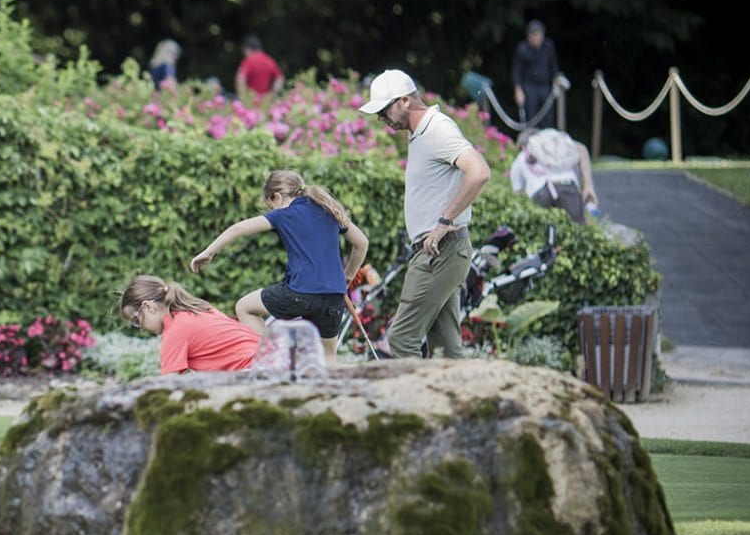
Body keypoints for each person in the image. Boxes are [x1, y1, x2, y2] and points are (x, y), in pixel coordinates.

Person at [359, 69, 493, 359]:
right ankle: (462, 404)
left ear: (405, 101)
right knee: (446, 349)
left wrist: (443, 222)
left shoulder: (437, 129)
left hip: (440, 249)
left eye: (384, 110)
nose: (381, 118)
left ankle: (416, 404)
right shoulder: (420, 133)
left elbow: (479, 172)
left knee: (401, 338)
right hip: (441, 249)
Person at [190, 170, 370, 366]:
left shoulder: (284, 214)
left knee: (244, 307)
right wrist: (348, 276)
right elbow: (362, 243)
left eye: (271, 204)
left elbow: (238, 228)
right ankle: (331, 395)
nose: (272, 209)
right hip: (334, 298)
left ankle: (281, 357)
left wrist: (208, 252)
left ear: (276, 196)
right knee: (328, 356)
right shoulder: (328, 209)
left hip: (299, 292)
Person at [119, 275, 261, 373]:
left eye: (136, 320)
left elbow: (168, 385)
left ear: (148, 307)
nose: (141, 328)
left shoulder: (175, 331)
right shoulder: (200, 309)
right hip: (268, 358)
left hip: (253, 371)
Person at [508, 128, 597, 224]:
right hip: (568, 187)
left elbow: (518, 193)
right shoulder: (556, 144)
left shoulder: (521, 156)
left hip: (540, 192)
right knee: (578, 227)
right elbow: (582, 149)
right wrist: (588, 185)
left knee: (543, 231)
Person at [512, 20, 560, 130]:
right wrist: (518, 90)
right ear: (528, 36)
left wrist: (556, 80)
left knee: (548, 117)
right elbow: (517, 71)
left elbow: (554, 66)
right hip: (529, 87)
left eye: (538, 35)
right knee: (531, 117)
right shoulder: (522, 49)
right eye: (533, 36)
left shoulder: (548, 46)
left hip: (545, 86)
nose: (536, 39)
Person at [235, 35, 284, 101]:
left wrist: (243, 96)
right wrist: (273, 94)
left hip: (251, 100)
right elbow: (280, 78)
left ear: (247, 49)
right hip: (265, 101)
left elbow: (241, 78)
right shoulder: (269, 60)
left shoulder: (249, 60)